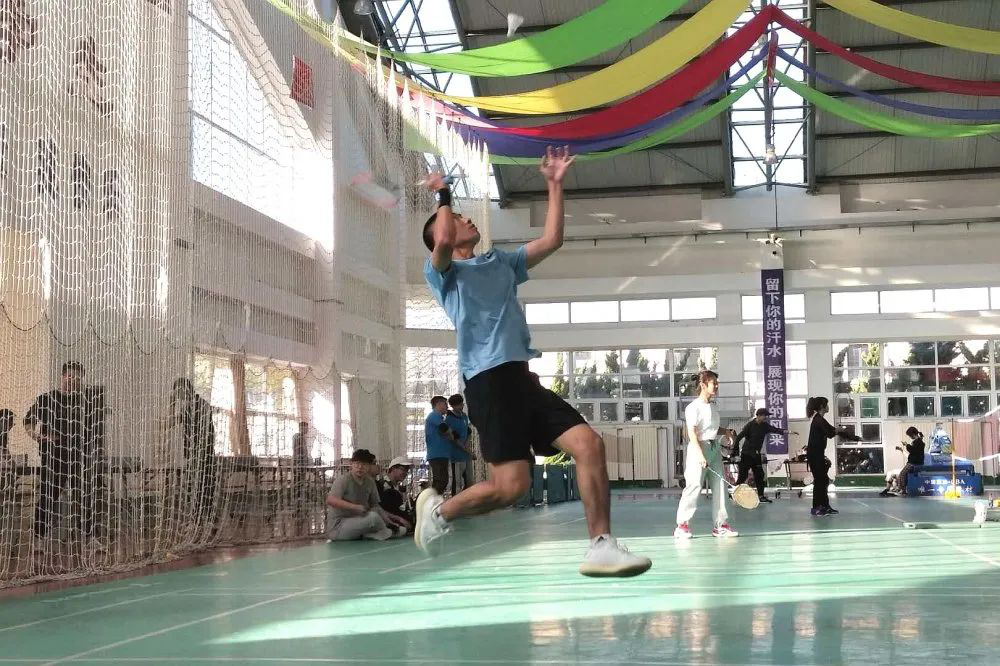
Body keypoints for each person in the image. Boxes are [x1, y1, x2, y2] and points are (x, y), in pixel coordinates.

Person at [416, 146, 650, 577]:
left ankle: (601, 545)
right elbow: (444, 239)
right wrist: (443, 194)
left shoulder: (501, 262)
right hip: (488, 382)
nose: (467, 220)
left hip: (523, 378)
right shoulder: (444, 275)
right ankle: (439, 512)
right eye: (458, 218)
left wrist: (555, 185)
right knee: (511, 488)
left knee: (589, 445)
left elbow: (551, 240)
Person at [24, 362, 105, 550]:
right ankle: (39, 538)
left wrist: (97, 449)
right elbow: (28, 421)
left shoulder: (85, 401)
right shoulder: (47, 399)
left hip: (79, 456)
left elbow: (94, 430)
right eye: (70, 376)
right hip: (54, 457)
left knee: (84, 495)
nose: (73, 380)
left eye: (77, 378)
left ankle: (90, 537)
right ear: (63, 376)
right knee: (48, 496)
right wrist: (37, 436)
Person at [674, 370, 738, 539]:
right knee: (694, 485)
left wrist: (726, 432)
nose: (716, 386)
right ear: (703, 385)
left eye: (717, 383)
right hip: (699, 448)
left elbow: (712, 428)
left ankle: (721, 525)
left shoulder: (713, 406)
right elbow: (692, 433)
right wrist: (700, 455)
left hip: (714, 448)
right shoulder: (693, 407)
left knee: (720, 485)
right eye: (713, 383)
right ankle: (682, 525)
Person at [164, 378, 218, 526]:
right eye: (175, 392)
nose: (177, 395)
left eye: (178, 391)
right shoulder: (187, 407)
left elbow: (207, 433)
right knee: (193, 488)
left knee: (203, 487)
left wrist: (199, 454)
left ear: (186, 389)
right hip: (193, 454)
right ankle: (198, 520)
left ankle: (205, 520)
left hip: (204, 455)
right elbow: (168, 424)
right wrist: (172, 403)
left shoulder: (201, 405)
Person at [326, 449, 408, 541]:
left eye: (364, 464)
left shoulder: (370, 482)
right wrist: (354, 507)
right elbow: (331, 500)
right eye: (357, 463)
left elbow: (376, 506)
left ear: (369, 466)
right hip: (338, 527)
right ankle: (384, 532)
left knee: (402, 530)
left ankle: (376, 534)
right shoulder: (343, 480)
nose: (360, 467)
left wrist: (390, 522)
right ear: (351, 464)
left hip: (360, 522)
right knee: (373, 517)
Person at [805, 396, 860, 516]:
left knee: (823, 480)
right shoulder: (818, 420)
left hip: (818, 454)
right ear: (822, 406)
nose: (828, 406)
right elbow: (830, 433)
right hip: (814, 455)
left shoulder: (820, 419)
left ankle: (825, 506)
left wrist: (855, 438)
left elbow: (835, 431)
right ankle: (817, 507)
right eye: (827, 404)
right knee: (820, 481)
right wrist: (838, 430)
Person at [732, 408, 795, 503]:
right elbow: (739, 437)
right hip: (746, 454)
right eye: (764, 415)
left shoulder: (764, 426)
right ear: (759, 415)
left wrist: (789, 432)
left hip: (756, 455)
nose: (766, 417)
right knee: (742, 476)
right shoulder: (750, 425)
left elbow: (776, 430)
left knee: (760, 475)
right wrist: (735, 453)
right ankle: (735, 494)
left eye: (766, 416)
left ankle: (761, 496)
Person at [424, 396, 454, 496]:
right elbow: (445, 429)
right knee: (441, 481)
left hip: (441, 454)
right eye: (445, 404)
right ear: (439, 404)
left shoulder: (439, 418)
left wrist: (450, 434)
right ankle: (428, 502)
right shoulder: (434, 415)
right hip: (437, 454)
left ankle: (432, 501)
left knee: (440, 481)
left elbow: (449, 434)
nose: (447, 407)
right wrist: (450, 432)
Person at [446, 394, 475, 494]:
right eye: (458, 405)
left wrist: (468, 449)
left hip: (466, 454)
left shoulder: (464, 416)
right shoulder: (449, 420)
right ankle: (455, 499)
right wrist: (467, 450)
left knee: (470, 481)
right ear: (453, 406)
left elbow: (468, 432)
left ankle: (467, 499)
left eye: (462, 404)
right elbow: (454, 439)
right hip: (456, 455)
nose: (461, 406)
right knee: (457, 482)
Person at [377, 456, 415, 527]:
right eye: (403, 469)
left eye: (407, 470)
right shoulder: (382, 485)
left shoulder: (397, 487)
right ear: (393, 468)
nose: (405, 473)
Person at [896, 427, 926, 496]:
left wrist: (907, 445)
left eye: (910, 435)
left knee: (902, 474)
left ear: (912, 434)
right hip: (915, 462)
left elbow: (913, 451)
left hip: (914, 463)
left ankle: (903, 490)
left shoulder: (918, 442)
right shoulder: (919, 441)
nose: (910, 437)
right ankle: (901, 489)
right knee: (903, 474)